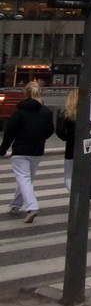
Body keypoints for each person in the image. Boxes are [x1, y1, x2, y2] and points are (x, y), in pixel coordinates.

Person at [0, 80, 54, 223]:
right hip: (37, 150)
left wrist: (3, 149)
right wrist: (40, 138)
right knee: (26, 179)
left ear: (25, 93)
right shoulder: (46, 111)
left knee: (23, 178)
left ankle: (31, 206)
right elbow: (50, 130)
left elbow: (10, 132)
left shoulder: (19, 111)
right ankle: (16, 205)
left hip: (21, 150)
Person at [55, 88, 79, 191]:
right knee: (82, 173)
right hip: (85, 147)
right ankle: (81, 193)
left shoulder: (67, 113)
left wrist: (66, 138)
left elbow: (60, 131)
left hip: (71, 146)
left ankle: (74, 194)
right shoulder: (88, 112)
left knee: (69, 175)